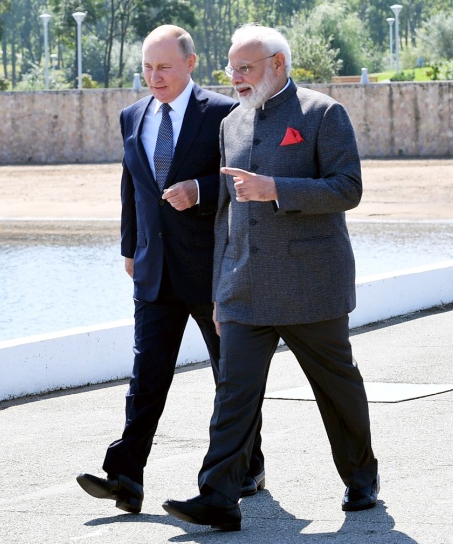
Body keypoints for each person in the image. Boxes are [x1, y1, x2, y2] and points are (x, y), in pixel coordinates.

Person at [162, 23, 379, 531]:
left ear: (278, 64)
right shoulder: (230, 124)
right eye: (232, 68)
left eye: (246, 68)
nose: (235, 78)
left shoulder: (323, 113)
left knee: (337, 388)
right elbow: (225, 215)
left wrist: (276, 188)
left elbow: (348, 188)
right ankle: (217, 496)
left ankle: (361, 478)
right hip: (244, 286)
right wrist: (219, 288)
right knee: (232, 394)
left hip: (312, 285)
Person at [75, 24, 265, 515]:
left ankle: (248, 465)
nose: (153, 76)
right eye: (147, 67)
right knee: (146, 377)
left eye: (163, 67)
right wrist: (129, 247)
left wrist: (199, 190)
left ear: (190, 64)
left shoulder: (225, 114)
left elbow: (240, 185)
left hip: (212, 271)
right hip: (153, 271)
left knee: (231, 376)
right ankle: (125, 478)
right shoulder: (131, 115)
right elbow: (130, 187)